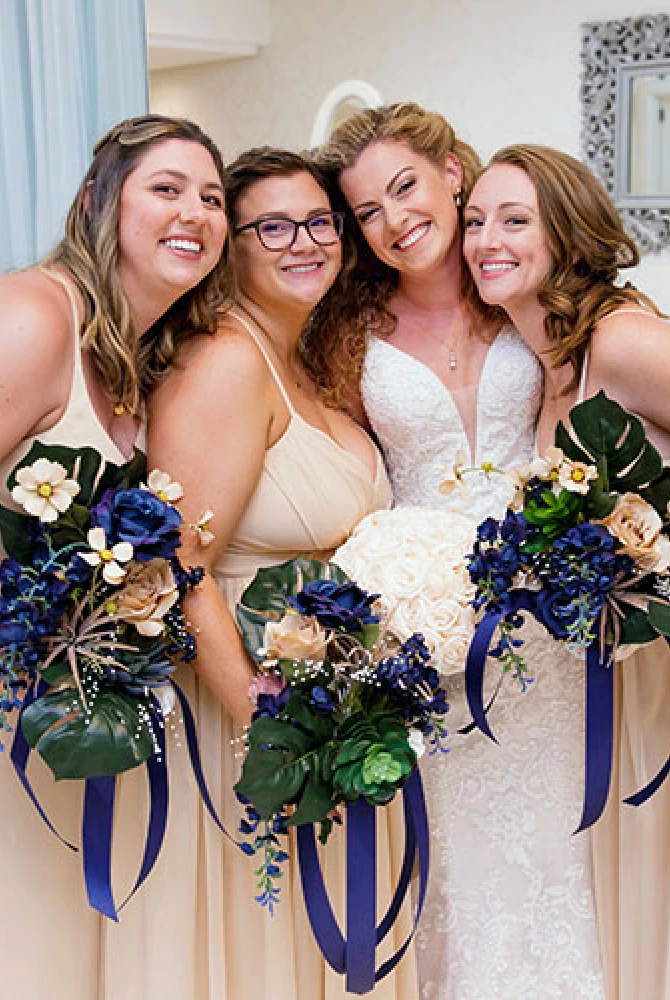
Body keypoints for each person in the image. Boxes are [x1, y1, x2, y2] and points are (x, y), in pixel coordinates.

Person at [314, 105, 606, 1000]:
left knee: (561, 860)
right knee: (459, 868)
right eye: (368, 210)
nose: (396, 220)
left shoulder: (533, 294)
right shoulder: (343, 331)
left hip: (550, 629)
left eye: (405, 186)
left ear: (451, 171)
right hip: (430, 634)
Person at [112, 147, 414, 1000]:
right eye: (271, 226)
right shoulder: (226, 360)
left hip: (328, 700)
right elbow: (180, 562)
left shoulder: (310, 360)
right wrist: (259, 722)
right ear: (230, 245)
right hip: (245, 704)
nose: (304, 242)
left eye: (320, 221)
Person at [0, 114, 230, 1000]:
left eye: (210, 198)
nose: (195, 213)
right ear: (99, 202)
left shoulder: (134, 357)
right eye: (166, 189)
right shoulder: (35, 315)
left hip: (63, 724)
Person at [463, 143, 670, 1000]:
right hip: (611, 676)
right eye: (475, 221)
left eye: (515, 221)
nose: (486, 239)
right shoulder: (548, 357)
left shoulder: (620, 339)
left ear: (568, 235)